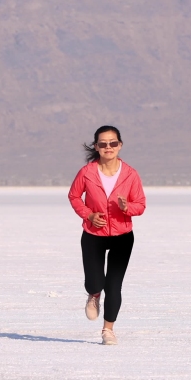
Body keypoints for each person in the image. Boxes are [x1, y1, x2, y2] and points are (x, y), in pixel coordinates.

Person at [68, 125, 146, 345]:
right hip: (93, 233)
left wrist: (126, 207)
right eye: (103, 143)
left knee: (114, 285)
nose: (108, 147)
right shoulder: (87, 173)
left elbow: (140, 205)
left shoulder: (130, 174)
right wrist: (89, 215)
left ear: (120, 145)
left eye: (113, 143)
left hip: (122, 236)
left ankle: (108, 330)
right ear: (96, 147)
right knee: (95, 282)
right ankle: (94, 295)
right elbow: (74, 197)